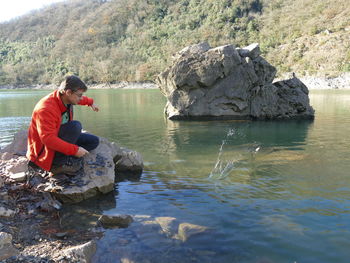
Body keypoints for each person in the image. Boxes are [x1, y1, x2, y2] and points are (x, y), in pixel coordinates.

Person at [26, 75, 99, 177]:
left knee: (94, 141)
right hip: (44, 152)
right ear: (68, 92)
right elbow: (47, 139)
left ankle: (67, 158)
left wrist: (90, 103)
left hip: (58, 138)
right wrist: (75, 150)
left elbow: (80, 99)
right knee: (75, 126)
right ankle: (56, 166)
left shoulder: (66, 99)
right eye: (79, 95)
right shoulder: (46, 108)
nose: (80, 98)